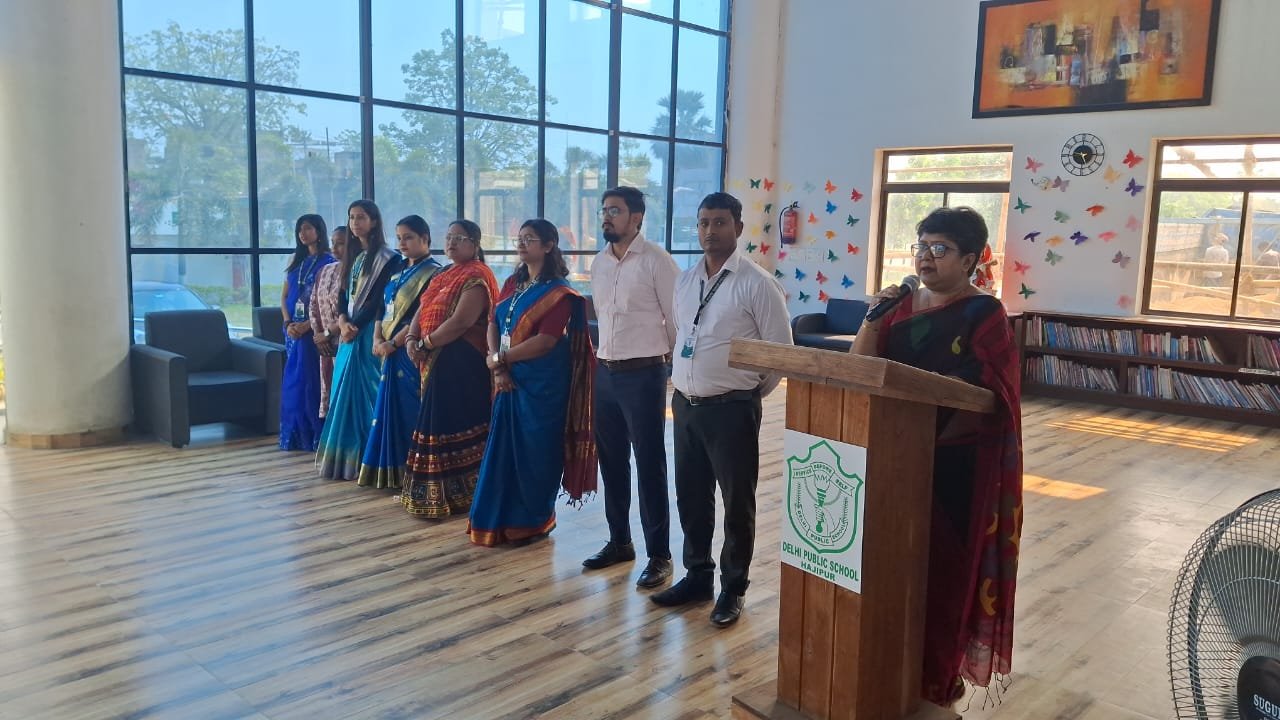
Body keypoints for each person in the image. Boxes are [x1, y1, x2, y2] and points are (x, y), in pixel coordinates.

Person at [850, 206, 1023, 706]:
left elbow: (992, 395)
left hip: (951, 469)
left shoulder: (984, 314)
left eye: (939, 249)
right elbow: (859, 368)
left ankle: (934, 679)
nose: (925, 257)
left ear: (969, 259)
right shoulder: (899, 305)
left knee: (941, 578)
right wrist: (873, 317)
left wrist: (931, 412)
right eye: (921, 246)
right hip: (888, 457)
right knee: (887, 566)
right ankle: (886, 664)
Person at [650, 192, 792, 628]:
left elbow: (780, 354)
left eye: (719, 222)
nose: (710, 230)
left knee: (736, 501)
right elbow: (683, 335)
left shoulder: (757, 283)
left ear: (738, 228)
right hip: (686, 406)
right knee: (692, 497)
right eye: (703, 222)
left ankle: (733, 587)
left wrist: (744, 393)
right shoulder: (686, 280)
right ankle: (697, 575)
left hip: (732, 409)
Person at [468, 219, 597, 547]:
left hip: (542, 386)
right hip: (508, 379)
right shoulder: (513, 282)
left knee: (536, 452)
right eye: (520, 238)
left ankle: (532, 522)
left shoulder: (559, 293)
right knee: (502, 450)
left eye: (530, 239)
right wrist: (498, 365)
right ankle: (495, 522)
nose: (521, 244)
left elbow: (546, 342)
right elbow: (493, 323)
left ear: (549, 245)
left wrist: (501, 359)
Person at [582, 186, 680, 589]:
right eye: (604, 210)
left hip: (644, 375)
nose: (606, 217)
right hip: (605, 373)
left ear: (636, 218)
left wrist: (669, 366)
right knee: (612, 461)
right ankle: (619, 541)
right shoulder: (600, 262)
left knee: (649, 463)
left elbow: (677, 320)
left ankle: (660, 555)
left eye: (615, 211)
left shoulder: (657, 260)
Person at [401, 220, 499, 518]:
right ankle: (432, 494)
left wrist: (425, 343)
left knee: (450, 423)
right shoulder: (443, 273)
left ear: (475, 244)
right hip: (435, 358)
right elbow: (422, 308)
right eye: (449, 237)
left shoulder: (477, 275)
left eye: (460, 238)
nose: (452, 243)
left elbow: (461, 322)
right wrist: (411, 338)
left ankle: (465, 494)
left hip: (461, 363)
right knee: (433, 422)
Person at [315, 200, 405, 481]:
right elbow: (343, 295)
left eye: (361, 217)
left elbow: (380, 299)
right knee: (343, 390)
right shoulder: (353, 257)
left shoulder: (389, 258)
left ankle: (368, 458)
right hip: (348, 332)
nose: (355, 223)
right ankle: (342, 460)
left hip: (368, 333)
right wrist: (342, 322)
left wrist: (355, 325)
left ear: (374, 221)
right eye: (352, 217)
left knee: (367, 392)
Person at [356, 215, 444, 489]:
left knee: (409, 410)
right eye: (399, 238)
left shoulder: (434, 273)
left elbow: (421, 315)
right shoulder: (397, 269)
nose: (402, 243)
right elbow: (382, 308)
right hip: (386, 348)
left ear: (425, 239)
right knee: (386, 410)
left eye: (408, 238)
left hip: (408, 351)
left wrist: (393, 343)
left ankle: (413, 473)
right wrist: (376, 337)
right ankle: (389, 472)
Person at [279, 214, 335, 451]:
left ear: (319, 231)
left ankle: (314, 435)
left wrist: (307, 325)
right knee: (293, 383)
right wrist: (288, 322)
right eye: (299, 230)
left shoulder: (330, 262)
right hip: (292, 330)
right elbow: (284, 296)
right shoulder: (295, 260)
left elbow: (328, 303)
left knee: (312, 382)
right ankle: (294, 436)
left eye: (308, 228)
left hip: (313, 332)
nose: (303, 234)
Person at [310, 226, 349, 418]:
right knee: (328, 387)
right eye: (333, 243)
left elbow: (351, 311)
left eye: (340, 244)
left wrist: (328, 333)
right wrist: (319, 336)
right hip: (325, 344)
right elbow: (313, 304)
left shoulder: (356, 271)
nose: (334, 248)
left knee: (345, 392)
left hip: (346, 340)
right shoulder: (325, 270)